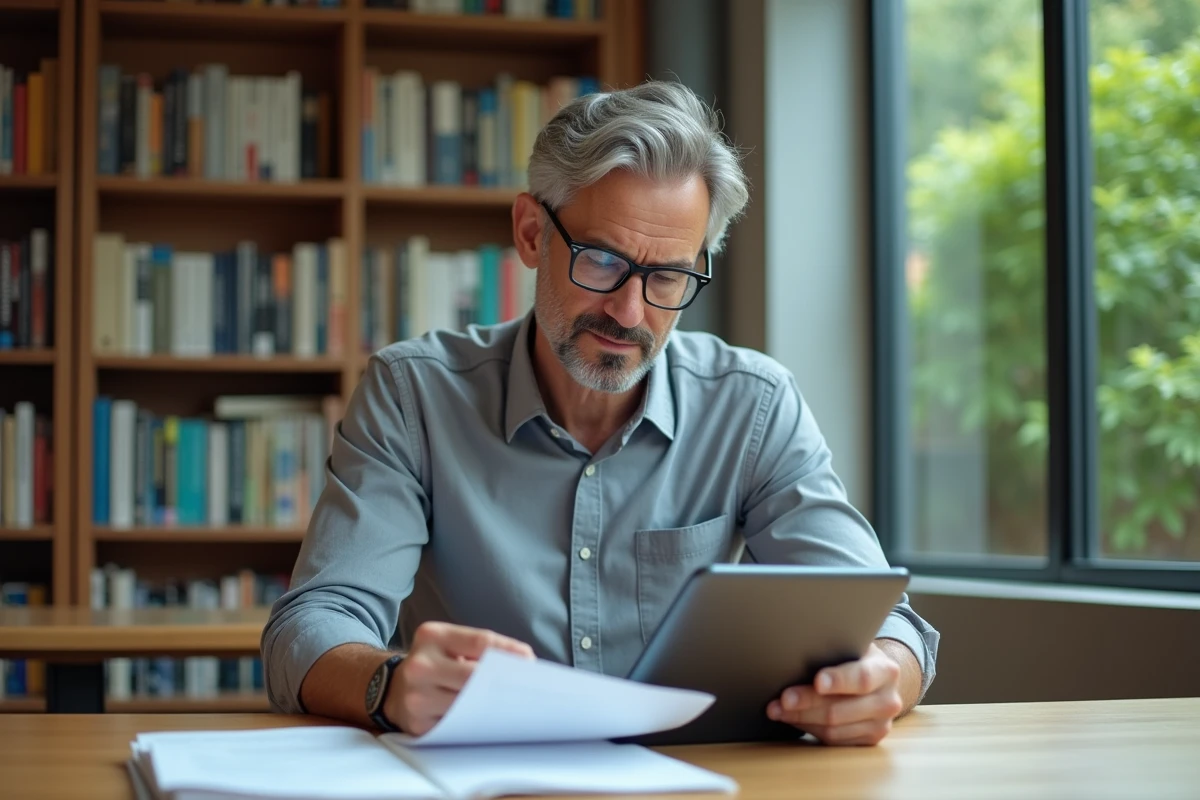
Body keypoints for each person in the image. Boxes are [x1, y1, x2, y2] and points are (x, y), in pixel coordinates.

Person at [262, 80, 940, 747]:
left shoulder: (754, 405)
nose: (630, 311)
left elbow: (890, 625)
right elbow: (312, 624)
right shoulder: (413, 395)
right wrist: (390, 683)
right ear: (532, 233)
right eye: (602, 261)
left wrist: (885, 677)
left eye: (667, 276)